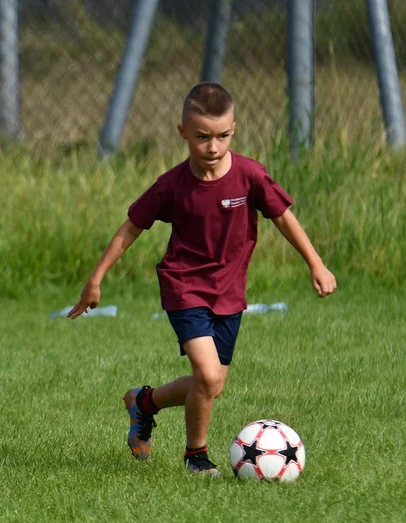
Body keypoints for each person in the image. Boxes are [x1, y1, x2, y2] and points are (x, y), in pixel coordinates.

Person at [67, 82, 337, 476]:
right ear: (182, 132)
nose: (213, 146)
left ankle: (144, 402)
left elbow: (282, 216)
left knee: (210, 384)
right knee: (208, 376)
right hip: (184, 286)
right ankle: (196, 456)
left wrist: (316, 262)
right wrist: (95, 279)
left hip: (230, 292)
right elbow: (130, 229)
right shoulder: (172, 185)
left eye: (223, 136)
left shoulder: (249, 176)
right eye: (202, 137)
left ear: (234, 130)